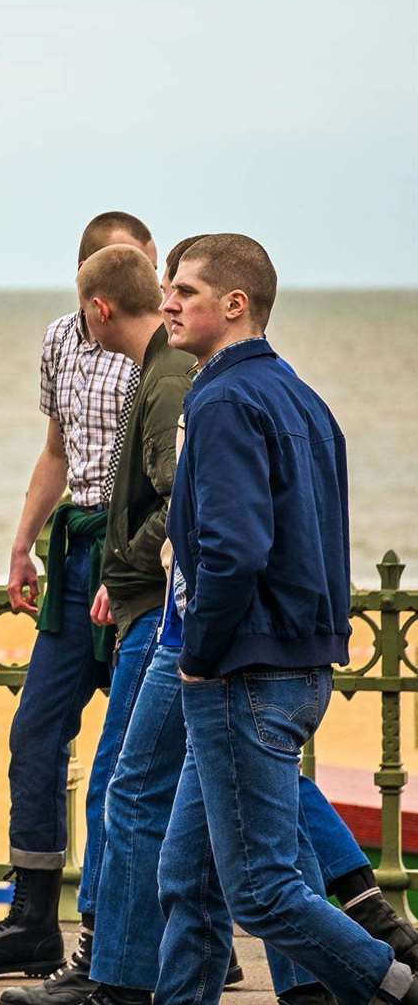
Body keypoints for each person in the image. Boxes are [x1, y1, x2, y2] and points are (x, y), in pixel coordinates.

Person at [153, 234, 418, 1004]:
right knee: (186, 873)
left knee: (263, 891)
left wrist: (200, 653)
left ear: (234, 305)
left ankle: (395, 988)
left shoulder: (222, 398)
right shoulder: (298, 395)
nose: (166, 300)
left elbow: (232, 549)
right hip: (294, 665)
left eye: (185, 291)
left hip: (242, 672)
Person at [0, 212, 154, 979]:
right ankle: (32, 920)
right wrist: (20, 545)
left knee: (135, 756)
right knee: (35, 733)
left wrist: (128, 568)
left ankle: (130, 933)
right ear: (92, 286)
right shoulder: (61, 339)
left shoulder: (165, 349)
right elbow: (57, 449)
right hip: (76, 548)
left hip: (139, 561)